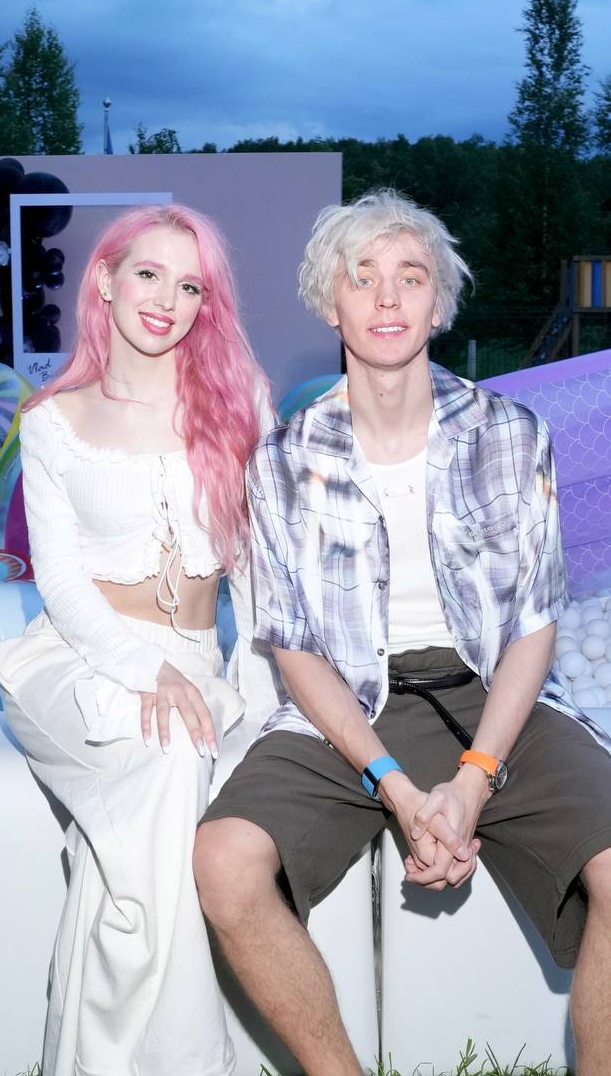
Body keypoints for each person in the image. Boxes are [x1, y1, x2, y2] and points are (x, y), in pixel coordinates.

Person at [194, 189, 611, 1076]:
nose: (386, 298)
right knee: (224, 861)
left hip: (493, 693)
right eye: (362, 277)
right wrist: (389, 780)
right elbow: (294, 647)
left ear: (437, 302)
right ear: (329, 302)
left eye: (409, 277)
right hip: (347, 705)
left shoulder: (511, 434)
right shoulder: (283, 459)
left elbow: (534, 625)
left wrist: (472, 778)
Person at [0, 203, 277, 1076]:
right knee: (169, 756)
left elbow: (259, 573)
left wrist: (261, 693)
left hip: (194, 659)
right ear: (106, 280)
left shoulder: (238, 403)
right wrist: (143, 667)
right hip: (76, 657)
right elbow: (59, 583)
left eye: (190, 287)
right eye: (148, 274)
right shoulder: (53, 419)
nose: (166, 300)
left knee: (129, 846)